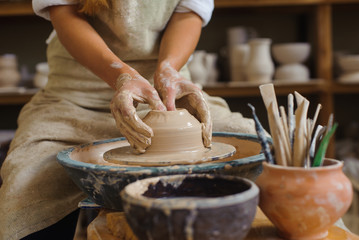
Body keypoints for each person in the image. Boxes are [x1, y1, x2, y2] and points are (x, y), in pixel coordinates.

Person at [0, 0, 256, 239]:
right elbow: (64, 14)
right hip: (75, 98)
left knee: (260, 147)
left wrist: (168, 69)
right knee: (27, 181)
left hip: (167, 95)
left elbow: (188, 14)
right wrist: (122, 76)